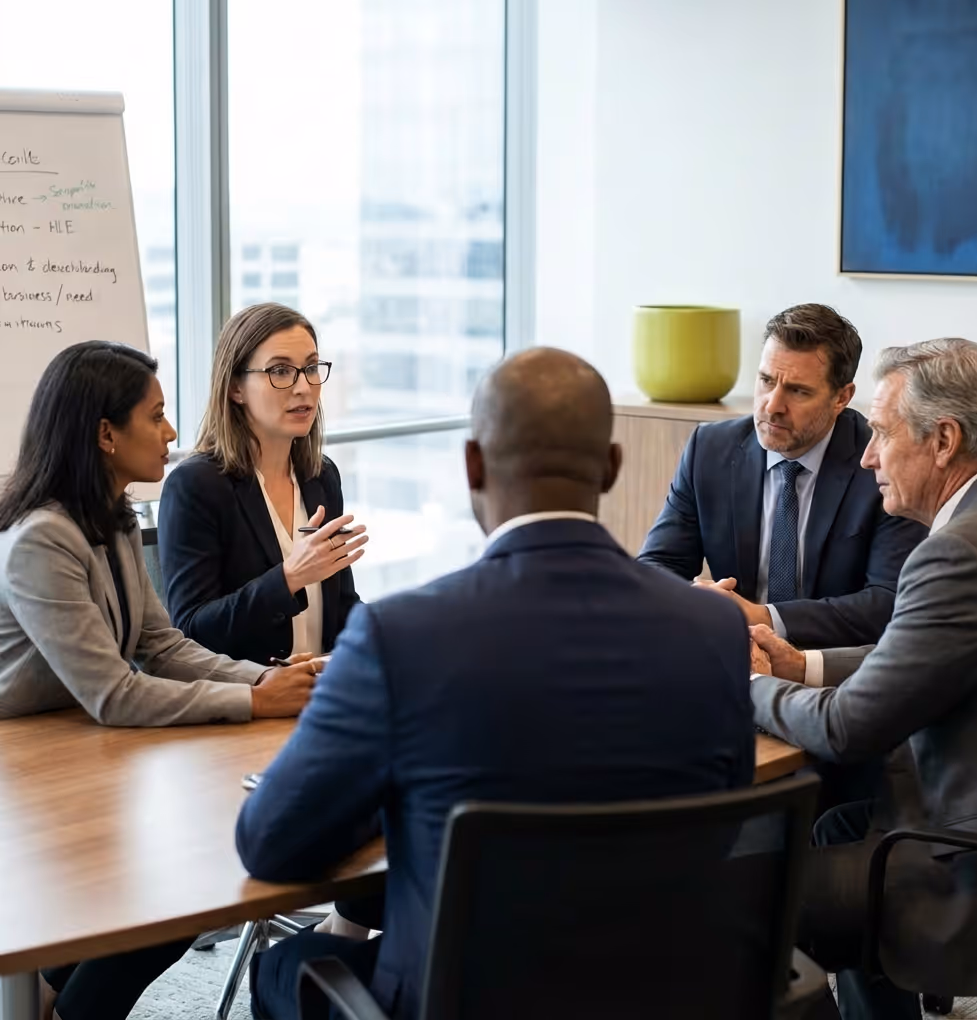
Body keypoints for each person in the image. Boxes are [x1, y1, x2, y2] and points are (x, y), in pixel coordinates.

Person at [235, 347, 756, 1020]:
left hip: (464, 999)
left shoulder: (399, 637)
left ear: (472, 464)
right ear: (612, 467)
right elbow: (726, 810)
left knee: (284, 964)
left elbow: (272, 842)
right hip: (666, 991)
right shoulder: (714, 627)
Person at [0, 341, 318, 1020]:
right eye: (157, 416)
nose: (172, 433)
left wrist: (267, 680)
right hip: (22, 774)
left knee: (152, 901)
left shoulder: (111, 517)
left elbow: (160, 645)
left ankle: (53, 1000)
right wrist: (255, 701)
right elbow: (115, 692)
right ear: (106, 434)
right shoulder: (40, 540)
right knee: (161, 904)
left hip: (78, 749)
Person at [749, 339, 977, 1020]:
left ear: (943, 440)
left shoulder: (959, 553)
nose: (868, 455)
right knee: (840, 827)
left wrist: (746, 682)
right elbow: (928, 651)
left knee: (750, 904)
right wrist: (800, 665)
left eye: (880, 432)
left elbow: (848, 729)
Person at [639, 303, 927, 651]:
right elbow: (657, 566)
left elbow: (888, 602)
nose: (772, 405)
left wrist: (762, 617)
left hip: (836, 670)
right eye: (766, 381)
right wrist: (698, 602)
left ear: (842, 398)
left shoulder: (882, 463)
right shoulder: (710, 449)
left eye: (798, 391)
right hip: (730, 653)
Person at [159, 302, 367, 666]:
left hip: (324, 692)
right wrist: (289, 577)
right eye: (281, 371)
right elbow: (191, 630)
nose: (304, 387)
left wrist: (396, 625)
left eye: (312, 368)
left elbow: (342, 608)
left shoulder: (321, 476)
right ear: (236, 388)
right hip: (249, 705)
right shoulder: (195, 486)